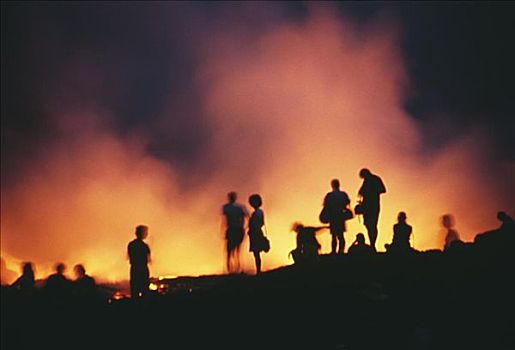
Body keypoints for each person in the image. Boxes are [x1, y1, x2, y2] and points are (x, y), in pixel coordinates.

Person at [357, 168, 386, 252]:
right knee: (369, 225)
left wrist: (371, 192)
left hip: (373, 206)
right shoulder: (367, 181)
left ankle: (373, 244)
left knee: (372, 225)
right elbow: (361, 192)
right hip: (368, 206)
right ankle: (372, 244)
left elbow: (383, 190)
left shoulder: (375, 179)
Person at [322, 179, 351, 255]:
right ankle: (340, 251)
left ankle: (334, 251)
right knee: (340, 235)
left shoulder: (329, 195)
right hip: (340, 216)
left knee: (334, 236)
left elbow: (325, 205)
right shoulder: (343, 194)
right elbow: (347, 202)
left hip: (333, 217)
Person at [222, 191, 248, 273]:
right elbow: (248, 217)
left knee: (229, 250)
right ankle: (237, 267)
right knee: (237, 250)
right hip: (239, 229)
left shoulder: (226, 207)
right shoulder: (241, 207)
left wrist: (223, 230)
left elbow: (225, 220)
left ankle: (230, 268)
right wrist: (245, 227)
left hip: (232, 229)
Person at [127, 225, 151, 298]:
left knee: (135, 292)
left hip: (134, 269)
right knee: (144, 292)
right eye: (146, 232)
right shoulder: (144, 246)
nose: (147, 234)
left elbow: (129, 257)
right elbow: (149, 259)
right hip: (142, 270)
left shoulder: (131, 245)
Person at [248, 194, 267, 275]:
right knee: (256, 252)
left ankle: (258, 270)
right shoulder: (260, 212)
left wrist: (253, 229)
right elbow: (262, 223)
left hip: (255, 233)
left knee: (256, 252)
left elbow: (256, 224)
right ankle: (258, 270)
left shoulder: (256, 213)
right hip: (257, 232)